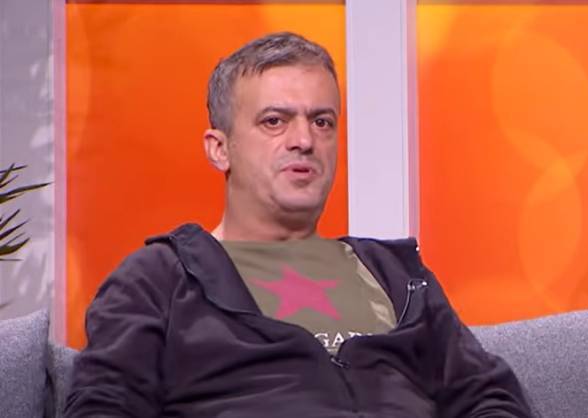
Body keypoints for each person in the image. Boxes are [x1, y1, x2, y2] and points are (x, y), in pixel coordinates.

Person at [64, 32, 532, 418]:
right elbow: (103, 406)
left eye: (322, 122)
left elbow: (488, 396)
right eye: (274, 121)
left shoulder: (396, 274)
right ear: (219, 149)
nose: (304, 140)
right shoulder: (158, 280)